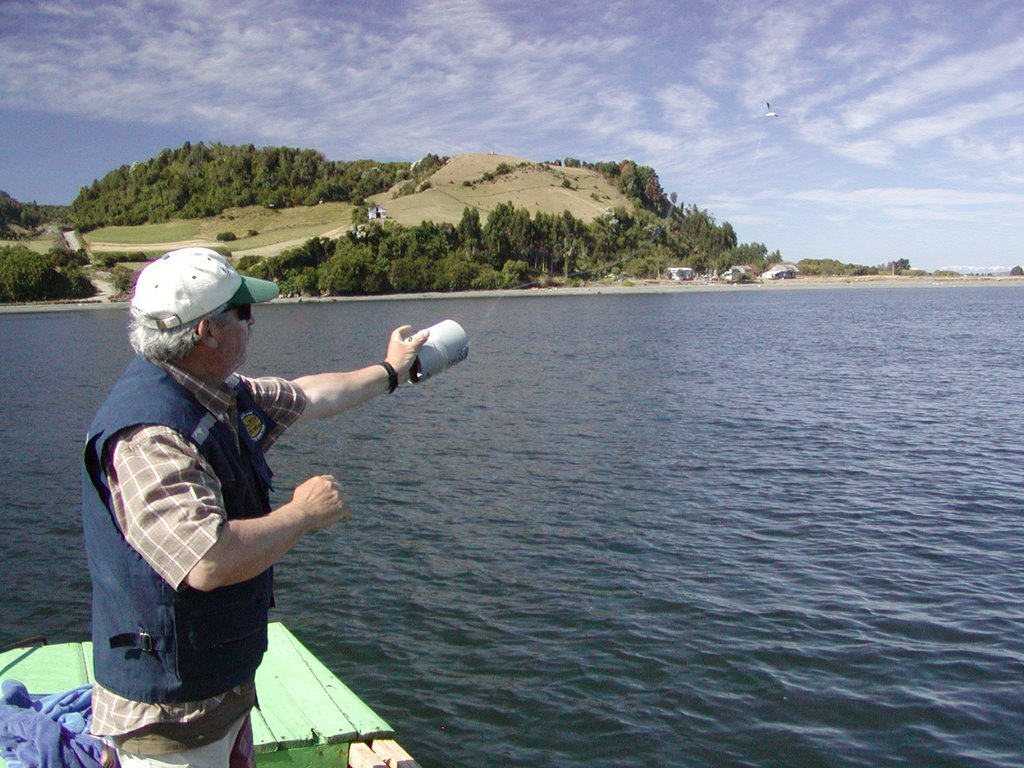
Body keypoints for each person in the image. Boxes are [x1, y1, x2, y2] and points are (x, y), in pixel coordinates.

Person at [81, 247, 428, 768]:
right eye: (244, 311)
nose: (253, 320)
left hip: (216, 689)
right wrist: (302, 514)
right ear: (208, 332)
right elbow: (208, 561)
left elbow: (308, 395)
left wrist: (390, 371)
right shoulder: (149, 436)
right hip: (170, 716)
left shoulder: (214, 391)